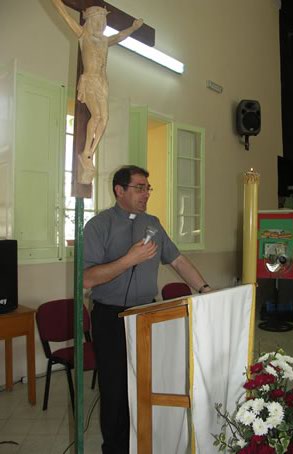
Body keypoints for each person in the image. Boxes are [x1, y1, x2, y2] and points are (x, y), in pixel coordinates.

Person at [83, 165, 211, 453]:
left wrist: (204, 289)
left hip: (148, 316)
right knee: (115, 389)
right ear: (120, 191)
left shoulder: (153, 224)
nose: (146, 194)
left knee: (146, 385)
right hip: (110, 317)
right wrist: (128, 260)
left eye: (147, 188)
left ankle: (144, 442)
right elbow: (87, 278)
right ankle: (115, 448)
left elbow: (178, 261)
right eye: (139, 188)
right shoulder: (98, 226)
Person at [52, 0, 143, 184]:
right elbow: (65, 16)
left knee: (105, 118)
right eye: (98, 20)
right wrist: (57, 3)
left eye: (103, 21)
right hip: (90, 79)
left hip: (102, 82)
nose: (101, 24)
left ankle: (89, 153)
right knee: (97, 115)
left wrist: (133, 28)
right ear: (91, 20)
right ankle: (86, 152)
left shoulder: (104, 40)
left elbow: (119, 36)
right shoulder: (83, 34)